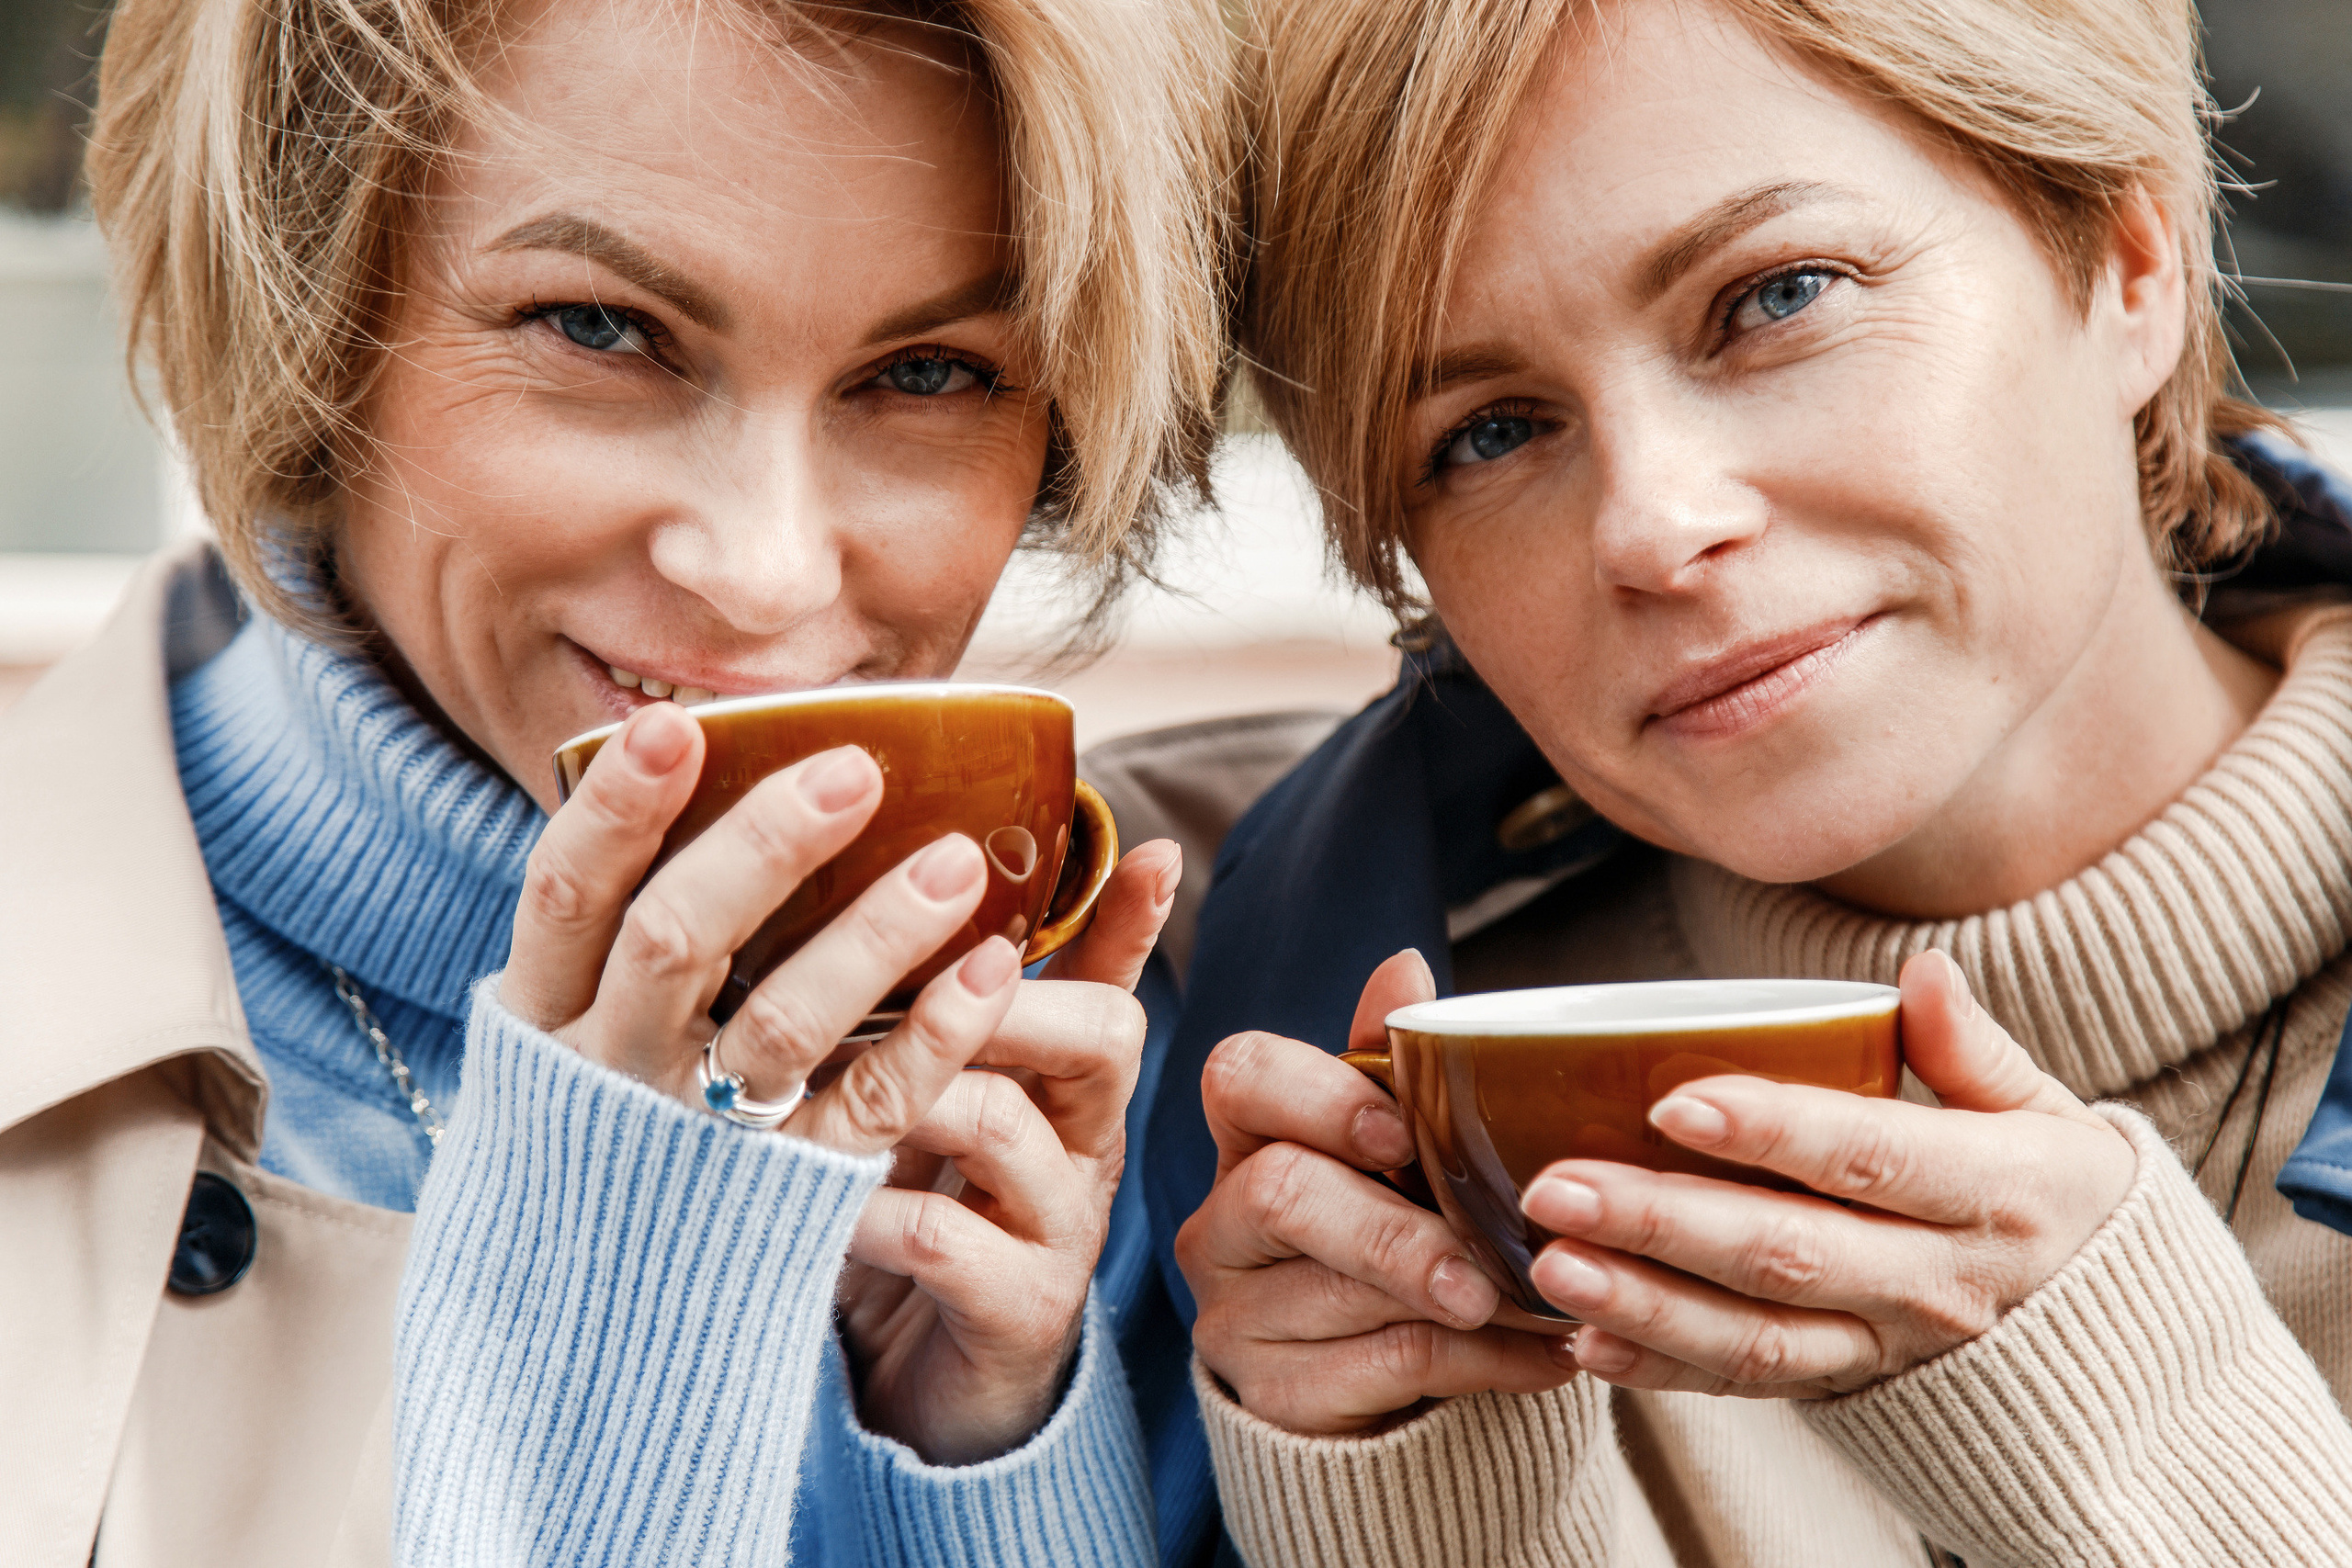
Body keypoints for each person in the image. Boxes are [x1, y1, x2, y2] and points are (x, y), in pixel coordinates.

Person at [1093, 0, 2352, 1561]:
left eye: (1776, 297)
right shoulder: (1239, 1038)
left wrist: (2131, 1423)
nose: (1650, 522)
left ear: (2130, 264)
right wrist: (1387, 1481)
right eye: (1487, 433)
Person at [0, 0, 1231, 1561]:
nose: (765, 575)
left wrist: (973, 1469)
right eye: (602, 330)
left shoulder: (1131, 1065)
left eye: (927, 373)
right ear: (302, 317)